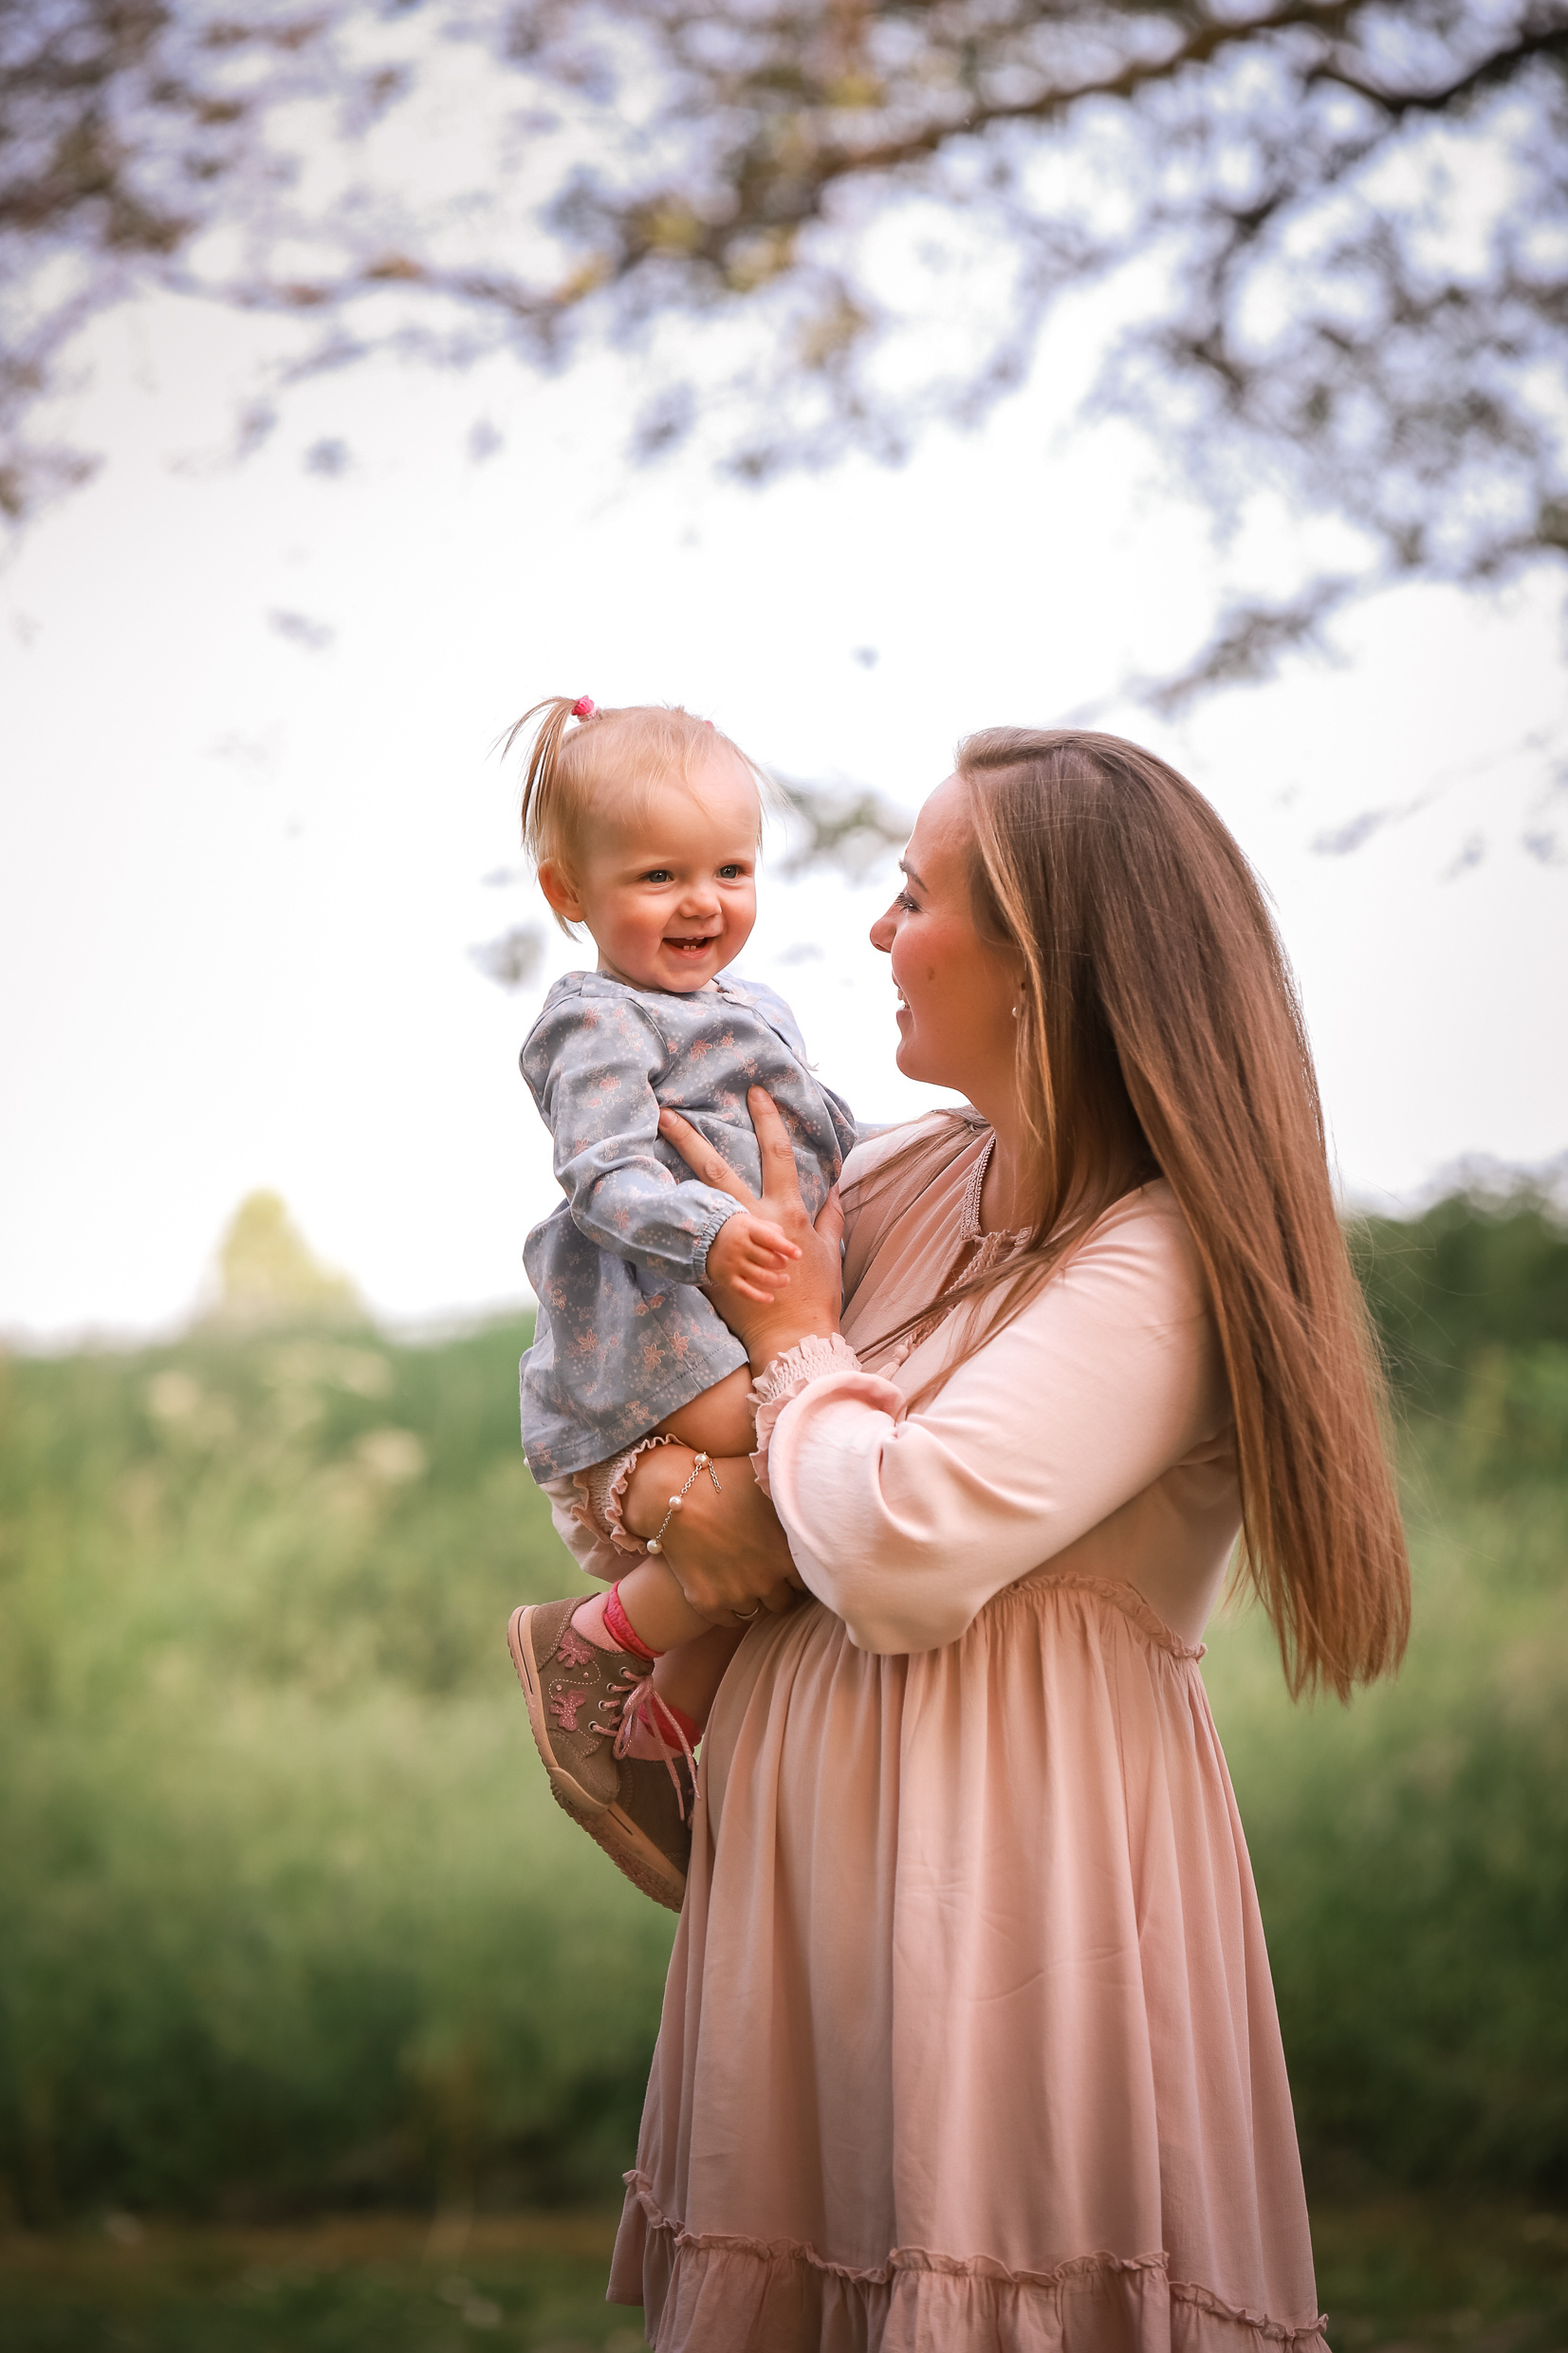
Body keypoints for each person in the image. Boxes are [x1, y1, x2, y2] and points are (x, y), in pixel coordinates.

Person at [590, 729, 1411, 2349]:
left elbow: (896, 1548)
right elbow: (636, 1405)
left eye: (913, 898)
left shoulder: (1161, 1265)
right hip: (805, 1924)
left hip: (1009, 1903)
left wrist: (798, 1353)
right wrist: (664, 1497)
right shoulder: (897, 1182)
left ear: (1037, 966)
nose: (875, 933)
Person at [504, 695, 858, 1911]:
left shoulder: (760, 1009)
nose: (702, 901)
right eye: (658, 875)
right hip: (656, 1318)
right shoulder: (594, 1016)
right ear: (570, 891)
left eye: (730, 870)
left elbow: (818, 1130)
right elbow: (602, 1170)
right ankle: (592, 1643)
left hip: (737, 1303)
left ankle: (665, 1718)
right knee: (793, 1464)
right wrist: (711, 1233)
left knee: (799, 1490)